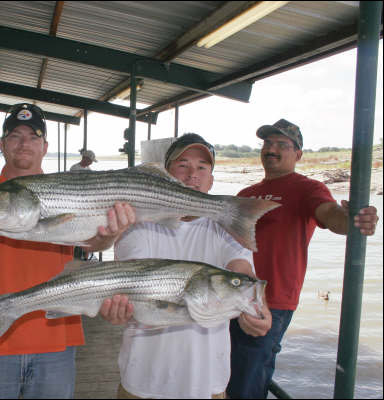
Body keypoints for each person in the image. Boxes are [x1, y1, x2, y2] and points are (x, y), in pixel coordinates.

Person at [0, 103, 136, 399]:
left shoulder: (67, 190)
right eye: (15, 136)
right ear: (2, 144)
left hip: (56, 338)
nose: (24, 144)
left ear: (44, 146)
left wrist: (109, 237)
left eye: (34, 137)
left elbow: (93, 245)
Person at [100, 133, 272, 399]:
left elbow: (242, 271)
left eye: (202, 167)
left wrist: (257, 308)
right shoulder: (138, 226)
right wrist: (118, 306)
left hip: (207, 384)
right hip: (143, 382)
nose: (193, 174)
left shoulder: (227, 229)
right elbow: (130, 279)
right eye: (183, 165)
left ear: (212, 179)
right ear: (166, 176)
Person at [226, 119, 380, 399]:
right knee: (223, 374)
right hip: (228, 295)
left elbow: (331, 215)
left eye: (281, 145)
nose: (272, 149)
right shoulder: (244, 195)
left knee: (246, 383)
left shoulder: (307, 188)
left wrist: (352, 220)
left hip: (271, 301)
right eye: (267, 144)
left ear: (298, 154)